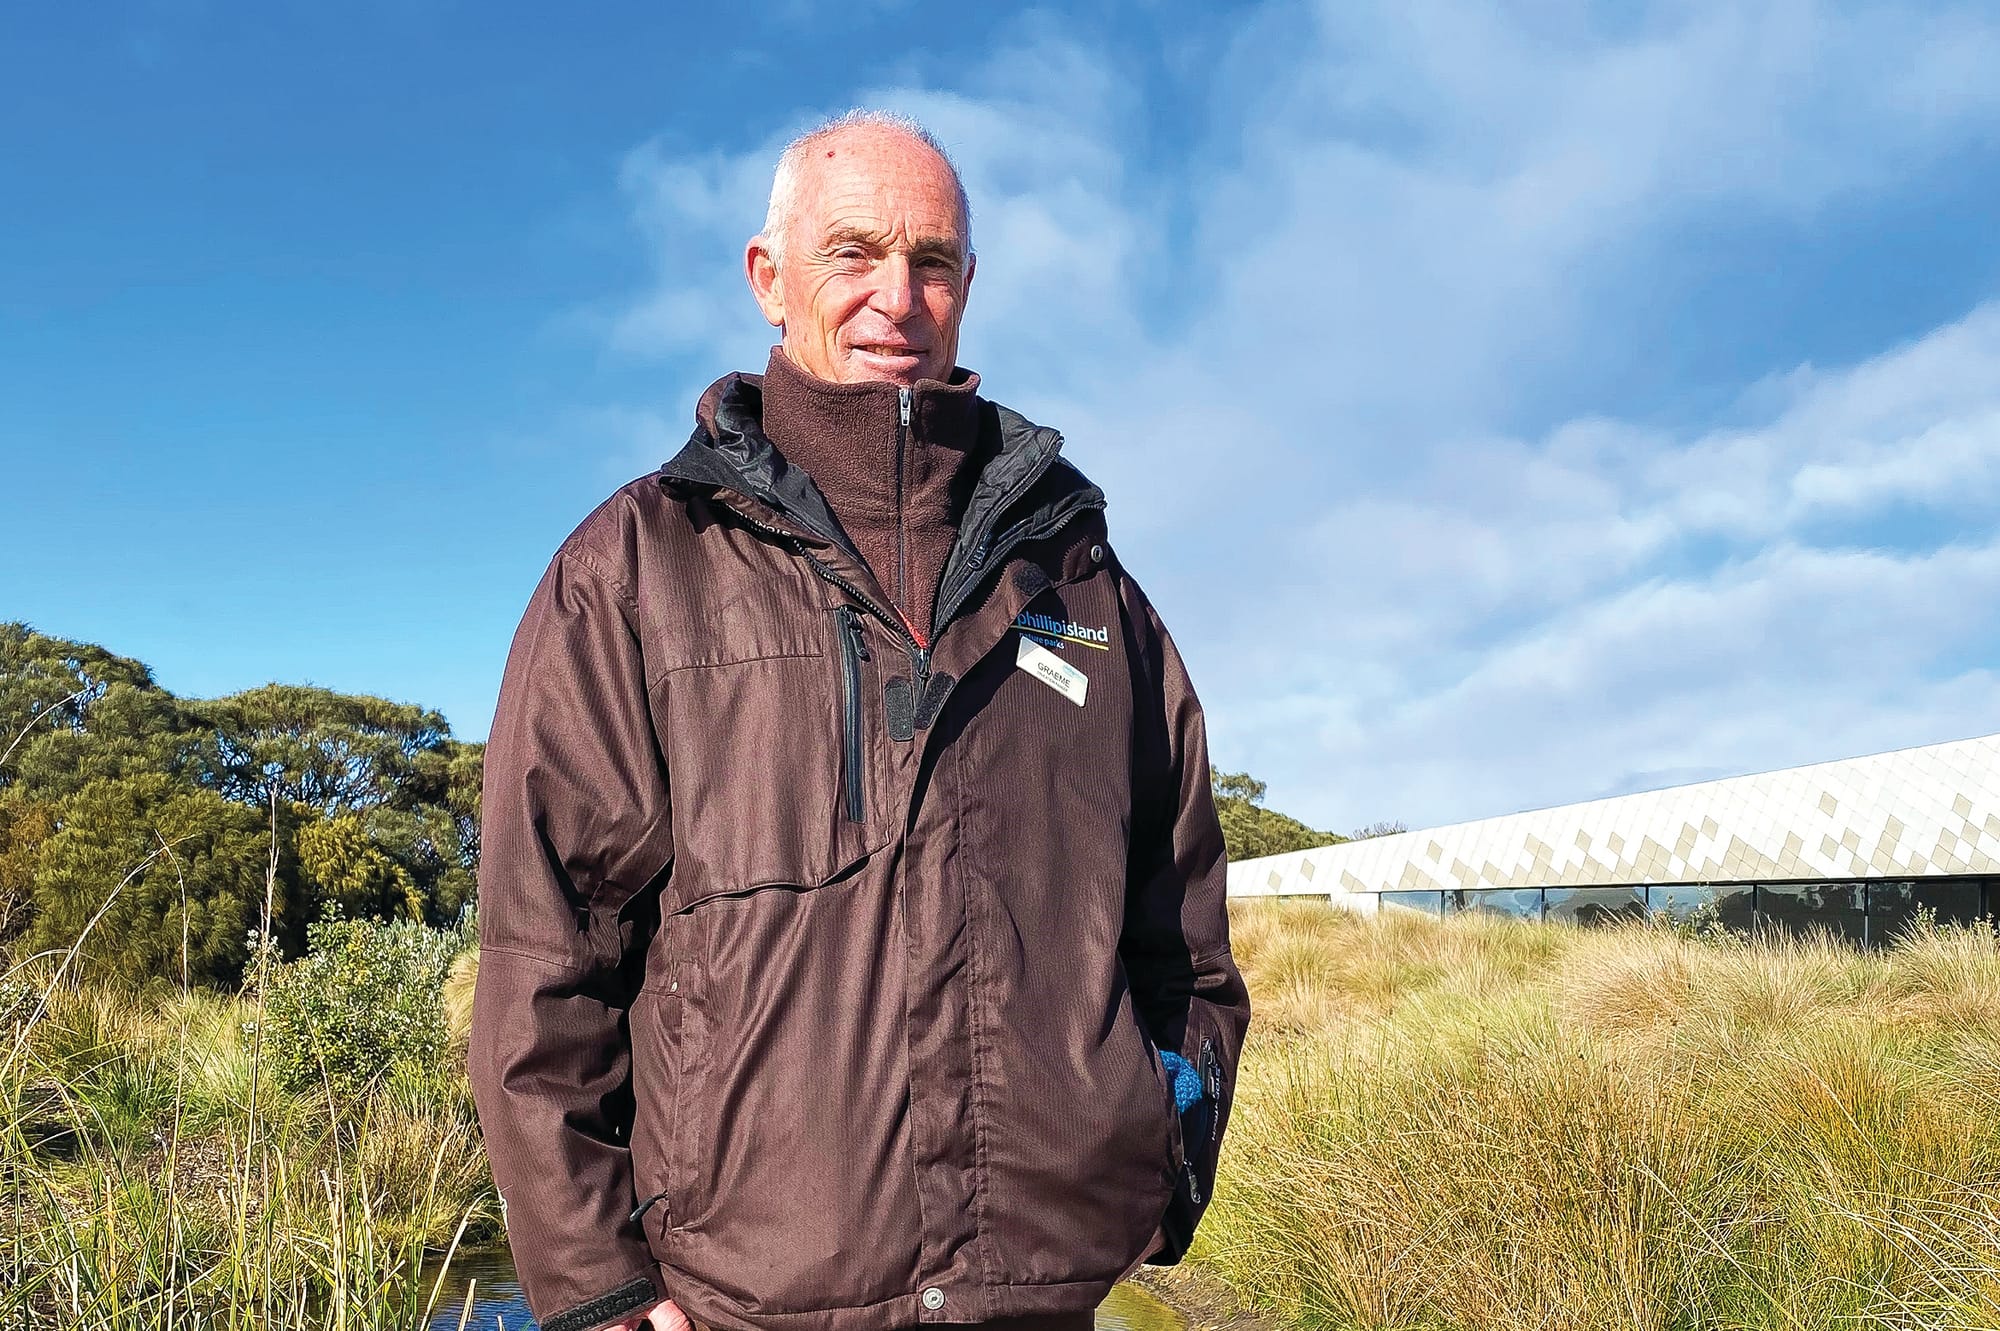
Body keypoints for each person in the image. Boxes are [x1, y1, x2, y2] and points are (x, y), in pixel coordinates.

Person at [467, 109, 1249, 1331]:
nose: (897, 293)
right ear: (768, 279)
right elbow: (545, 959)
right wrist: (600, 1292)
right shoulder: (634, 567)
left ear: (969, 287)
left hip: (1038, 1299)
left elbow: (1184, 937)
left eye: (931, 260)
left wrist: (1161, 1155)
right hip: (740, 1303)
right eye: (853, 252)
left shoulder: (1085, 586)